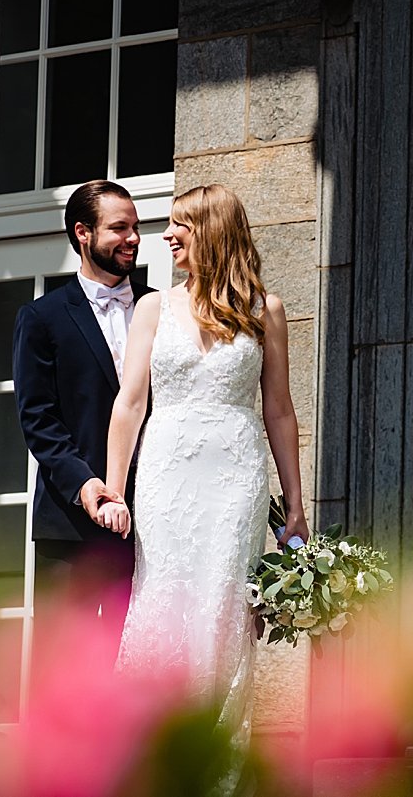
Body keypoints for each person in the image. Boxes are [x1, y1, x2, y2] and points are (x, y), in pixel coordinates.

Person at [96, 183, 308, 785]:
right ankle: (149, 758)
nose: (165, 236)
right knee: (163, 604)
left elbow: (280, 411)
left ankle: (218, 771)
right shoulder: (153, 308)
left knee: (222, 611)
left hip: (235, 480)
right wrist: (114, 487)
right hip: (167, 477)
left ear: (212, 230)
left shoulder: (265, 310)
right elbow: (129, 405)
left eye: (179, 225)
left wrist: (293, 505)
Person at [12, 179, 152, 656]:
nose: (133, 237)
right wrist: (85, 484)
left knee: (133, 658)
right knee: (64, 666)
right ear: (83, 233)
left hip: (150, 520)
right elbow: (38, 419)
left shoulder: (161, 309)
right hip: (68, 521)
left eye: (136, 226)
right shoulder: (42, 317)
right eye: (119, 228)